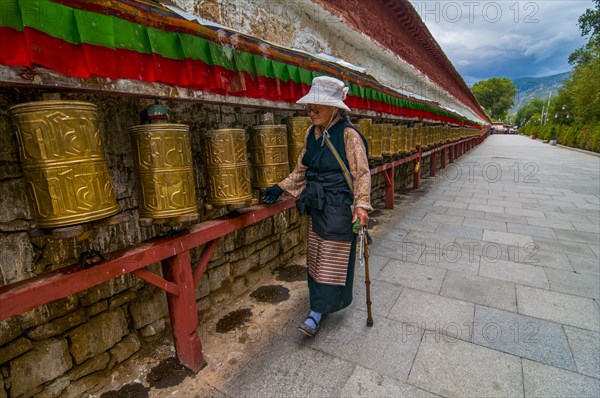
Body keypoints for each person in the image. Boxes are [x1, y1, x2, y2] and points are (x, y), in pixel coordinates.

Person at [262, 76, 372, 337]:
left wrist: (362, 206)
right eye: (309, 107)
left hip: (339, 205)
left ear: (334, 108)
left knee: (331, 258)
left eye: (316, 107)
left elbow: (362, 174)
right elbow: (302, 170)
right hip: (317, 203)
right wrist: (280, 187)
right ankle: (318, 304)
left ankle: (317, 311)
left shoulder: (349, 136)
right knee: (316, 255)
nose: (311, 112)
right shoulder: (311, 133)